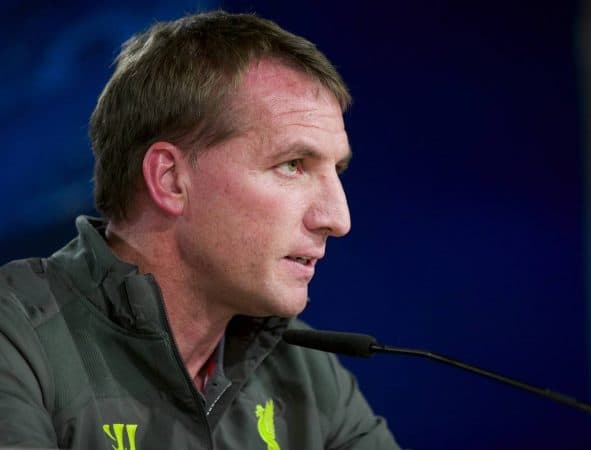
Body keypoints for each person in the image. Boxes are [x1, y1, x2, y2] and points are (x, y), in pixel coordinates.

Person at [0, 10, 401, 449]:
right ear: (171, 180)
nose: (338, 219)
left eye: (336, 169)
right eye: (292, 165)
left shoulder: (305, 370)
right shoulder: (16, 336)